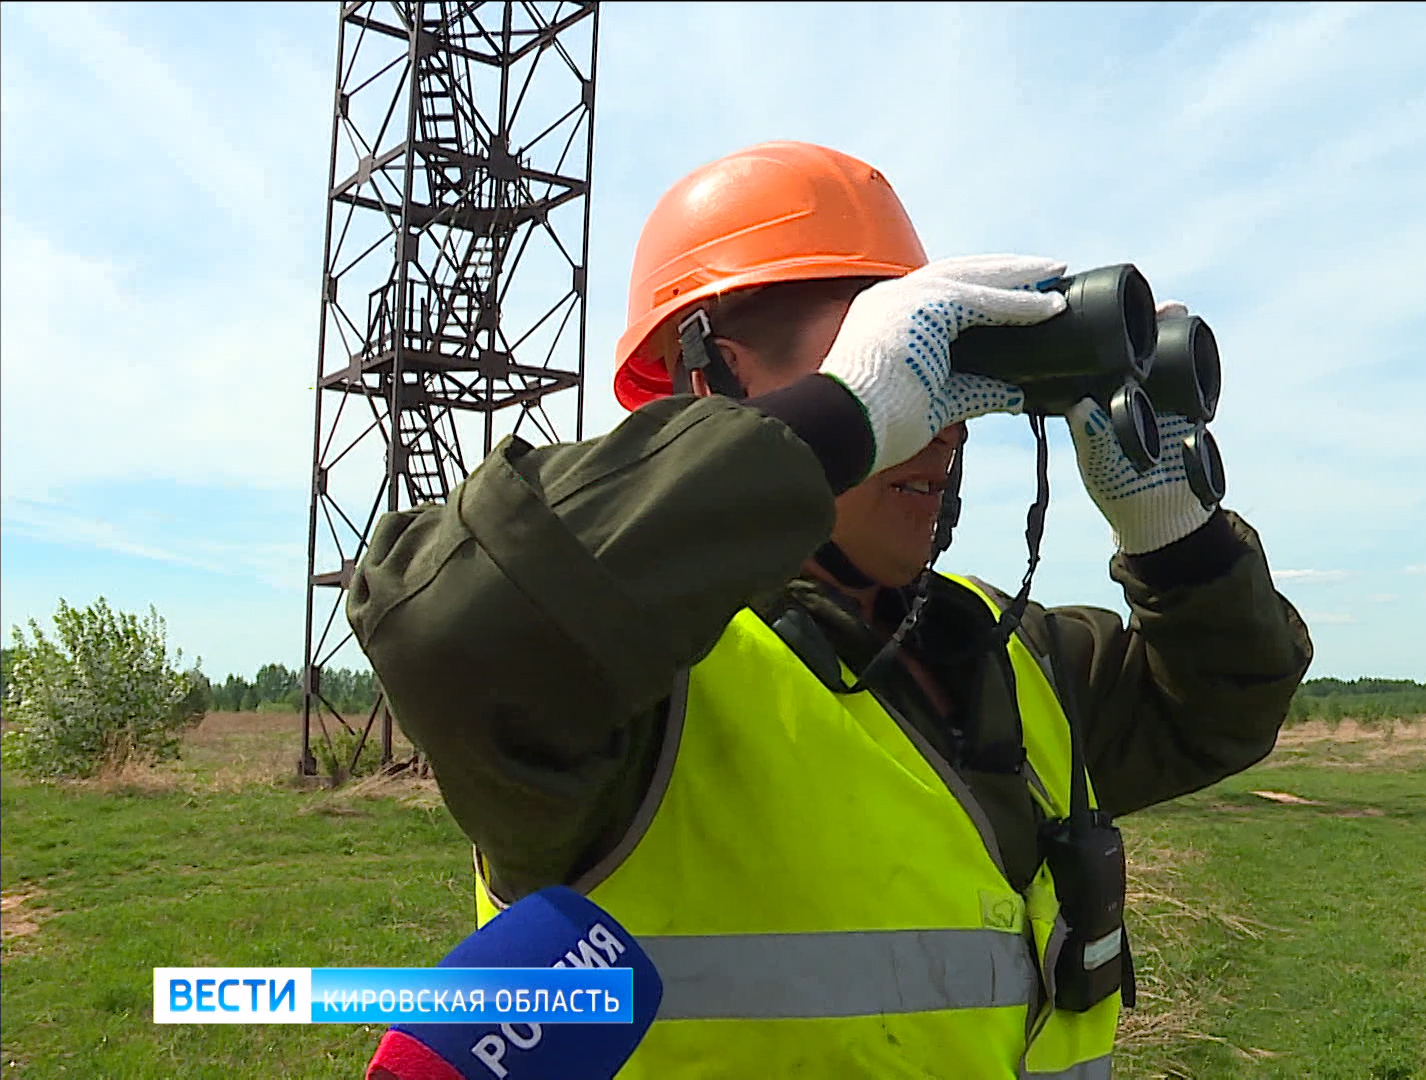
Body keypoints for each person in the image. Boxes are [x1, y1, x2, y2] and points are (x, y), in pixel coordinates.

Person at [346, 141, 1313, 1079]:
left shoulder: (1002, 651)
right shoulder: (639, 690)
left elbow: (1219, 707)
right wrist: (840, 417)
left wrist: (1174, 535)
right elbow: (451, 626)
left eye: (950, 382)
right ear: (709, 384)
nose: (943, 428)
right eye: (910, 375)